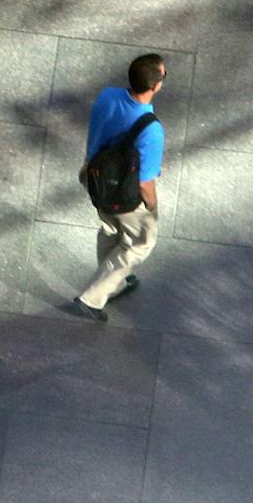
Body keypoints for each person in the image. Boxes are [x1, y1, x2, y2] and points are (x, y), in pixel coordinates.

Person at [65, 53, 167, 323]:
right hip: (126, 193)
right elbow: (145, 182)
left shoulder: (107, 96)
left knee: (110, 228)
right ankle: (92, 298)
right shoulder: (152, 130)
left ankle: (116, 282)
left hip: (96, 178)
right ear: (155, 86)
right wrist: (152, 207)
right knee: (140, 242)